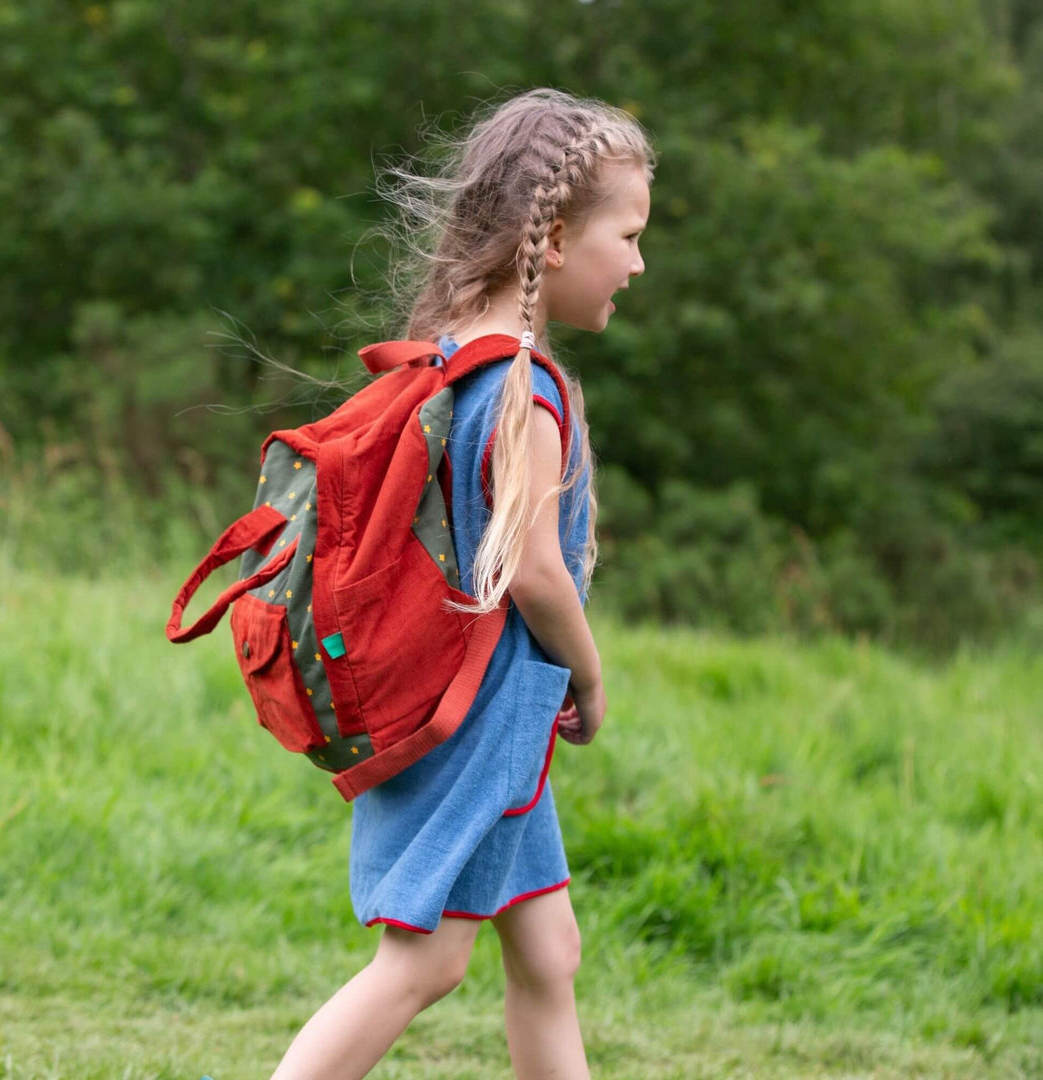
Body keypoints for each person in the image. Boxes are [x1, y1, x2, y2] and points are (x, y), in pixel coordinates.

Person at [269, 87, 654, 1080]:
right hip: (475, 722)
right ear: (557, 239)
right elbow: (532, 570)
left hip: (492, 720)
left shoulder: (452, 363)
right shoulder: (524, 390)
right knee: (424, 961)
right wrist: (594, 673)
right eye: (631, 234)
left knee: (548, 951)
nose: (640, 263)